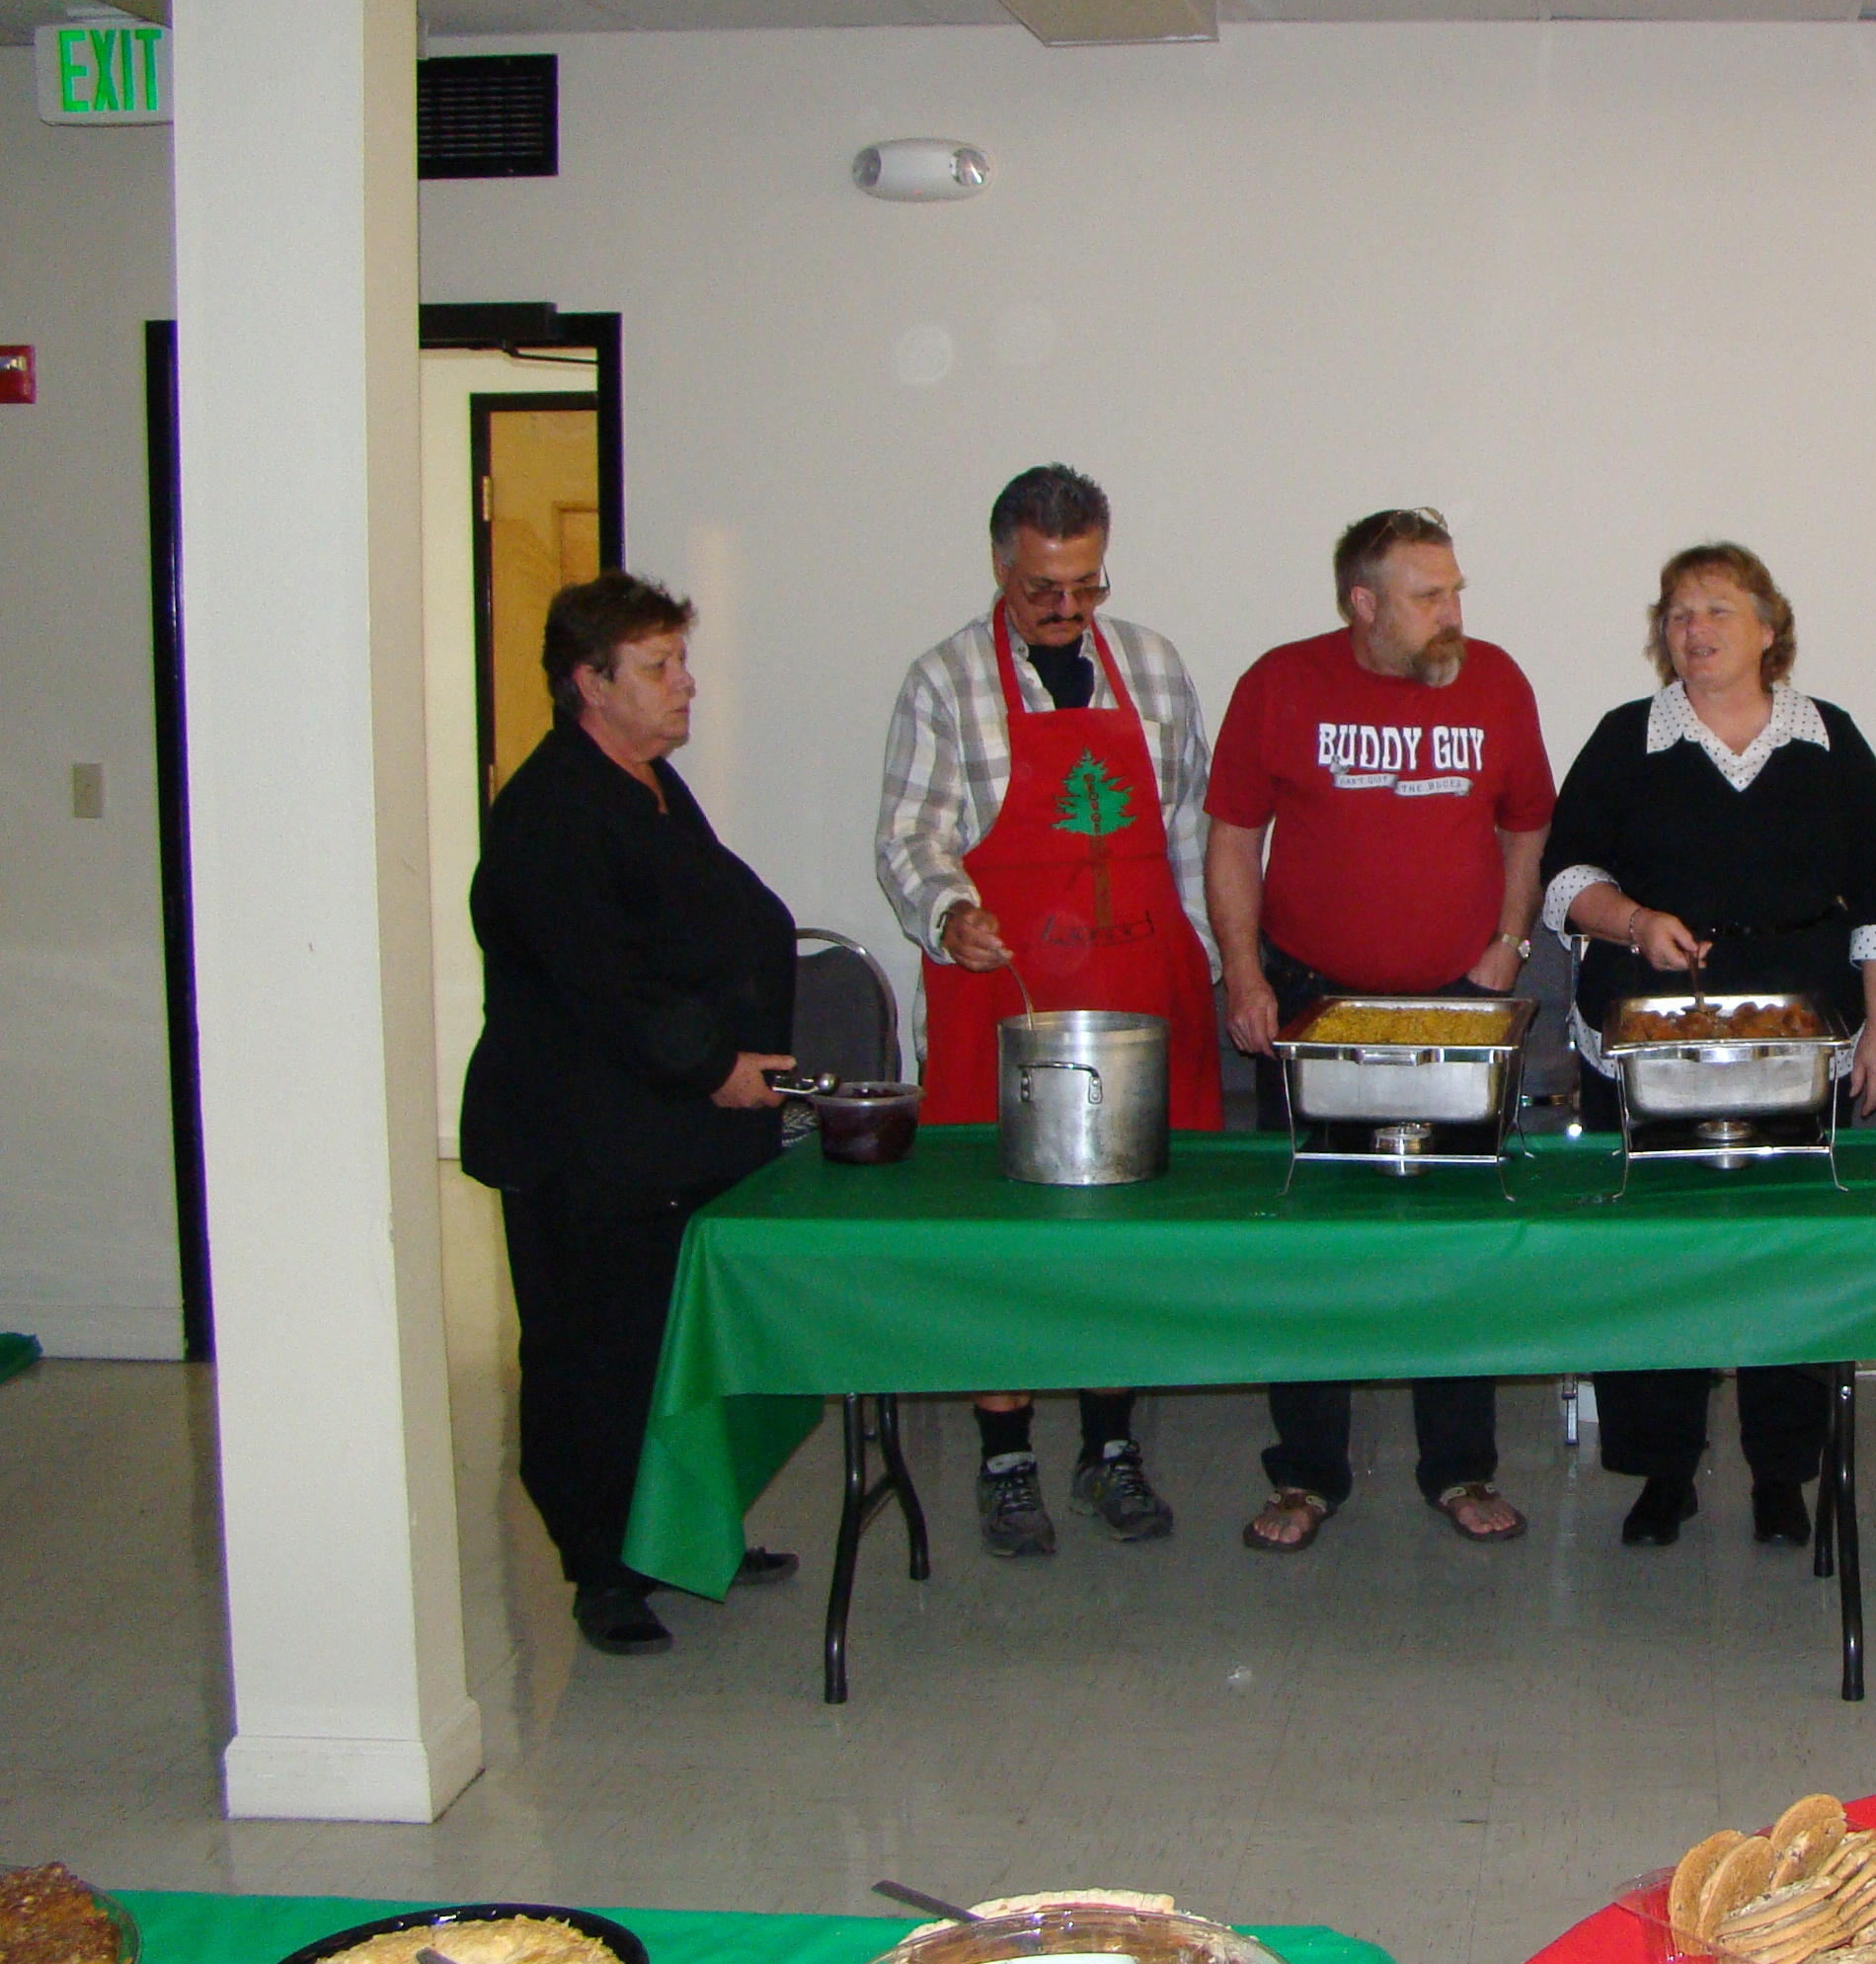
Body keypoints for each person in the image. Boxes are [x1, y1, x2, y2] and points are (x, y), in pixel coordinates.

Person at [1540, 542, 1876, 1546]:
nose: (1694, 630)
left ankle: (1781, 1473)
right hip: (1648, 1038)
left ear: (1767, 627)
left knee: (1790, 1252)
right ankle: (1660, 1470)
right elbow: (1562, 878)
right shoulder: (1629, 738)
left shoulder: (1829, 739)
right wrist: (1631, 922)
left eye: (1716, 610)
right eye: (1676, 614)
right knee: (1653, 1252)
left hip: (1802, 1042)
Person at [878, 463, 1221, 1560]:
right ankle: (1007, 1458)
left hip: (1131, 1000)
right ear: (999, 564)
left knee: (1122, 1245)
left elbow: (1188, 837)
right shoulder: (944, 684)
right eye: (1042, 587)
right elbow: (908, 841)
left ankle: (1111, 1449)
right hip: (1007, 1005)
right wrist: (951, 913)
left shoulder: (1158, 671)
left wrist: (1200, 959)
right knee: (1002, 1243)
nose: (1066, 607)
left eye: (1084, 583)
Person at [1204, 509, 1557, 1551]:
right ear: (1363, 604)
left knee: (1457, 1236)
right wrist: (1243, 971)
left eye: (1455, 590)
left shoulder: (1494, 681)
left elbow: (1527, 817)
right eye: (1428, 595)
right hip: (1313, 1000)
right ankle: (1307, 1472)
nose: (1454, 613)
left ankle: (1458, 1467)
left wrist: (1509, 938)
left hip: (1455, 998)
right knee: (1310, 1240)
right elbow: (1231, 838)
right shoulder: (1280, 683)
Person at [460, 574, 801, 1656]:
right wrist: (717, 1067)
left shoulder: (648, 781)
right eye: (657, 666)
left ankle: (685, 1530)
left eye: (679, 659)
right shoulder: (554, 814)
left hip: (663, 1137)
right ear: (588, 686)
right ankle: (602, 1569)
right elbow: (610, 990)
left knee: (677, 1348)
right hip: (584, 1146)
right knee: (593, 1358)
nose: (684, 683)